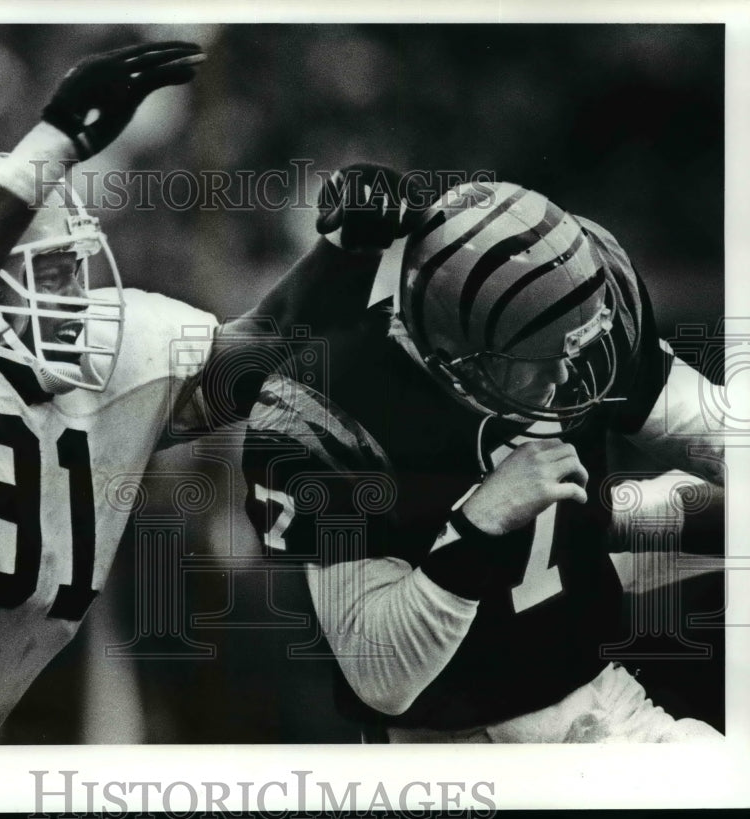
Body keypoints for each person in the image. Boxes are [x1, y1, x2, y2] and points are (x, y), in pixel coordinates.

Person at [0, 43, 410, 745]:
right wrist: (55, 139)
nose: (75, 297)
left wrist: (350, 248)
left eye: (74, 270)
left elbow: (263, 348)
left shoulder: (110, 363)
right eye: (47, 274)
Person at [242, 179, 726, 742]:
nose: (566, 374)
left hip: (599, 694)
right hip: (458, 749)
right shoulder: (330, 402)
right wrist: (481, 524)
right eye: (537, 358)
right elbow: (384, 679)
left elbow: (716, 431)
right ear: (454, 357)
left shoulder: (573, 316)